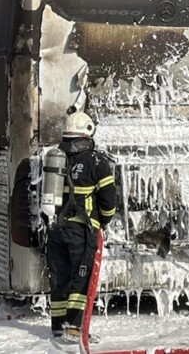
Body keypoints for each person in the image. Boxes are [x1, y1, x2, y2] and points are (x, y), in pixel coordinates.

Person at [47, 112, 117, 341]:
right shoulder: (97, 162)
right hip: (81, 232)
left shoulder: (54, 156)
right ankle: (74, 328)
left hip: (55, 229)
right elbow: (108, 202)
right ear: (88, 132)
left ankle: (58, 325)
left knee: (60, 277)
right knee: (81, 277)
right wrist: (102, 222)